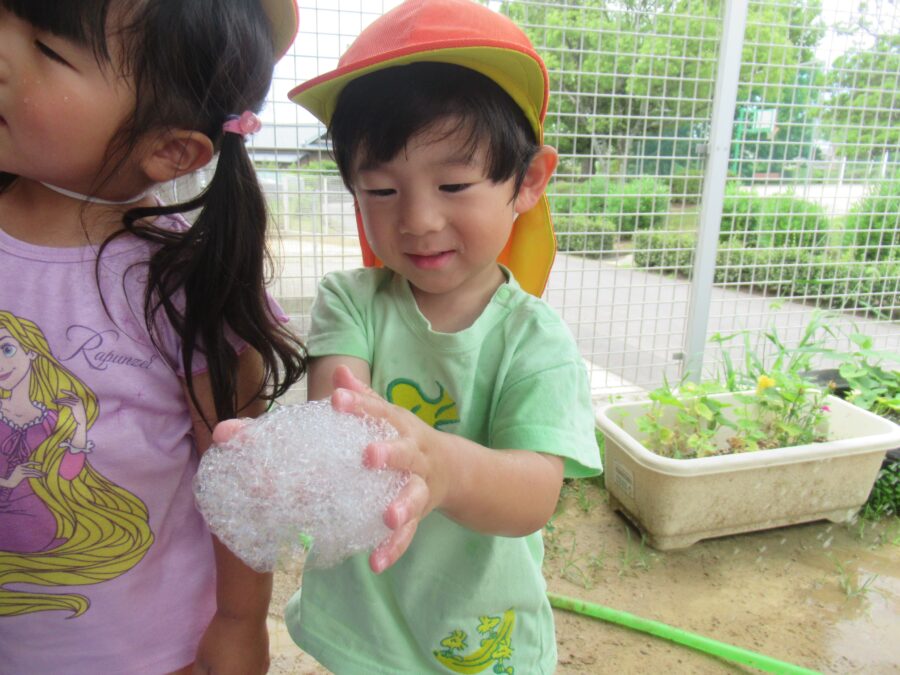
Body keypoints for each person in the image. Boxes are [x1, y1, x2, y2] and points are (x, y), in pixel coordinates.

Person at [281, 0, 602, 671]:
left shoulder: (534, 339)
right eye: (381, 190)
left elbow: (534, 497)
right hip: (362, 629)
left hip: (476, 637)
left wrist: (445, 468)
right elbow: (339, 422)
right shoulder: (352, 301)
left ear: (528, 181)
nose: (419, 220)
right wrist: (274, 465)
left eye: (453, 183)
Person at [0, 1, 307, 673]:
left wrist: (239, 622)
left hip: (141, 652)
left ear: (169, 149)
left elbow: (239, 476)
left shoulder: (182, 284)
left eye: (48, 49)